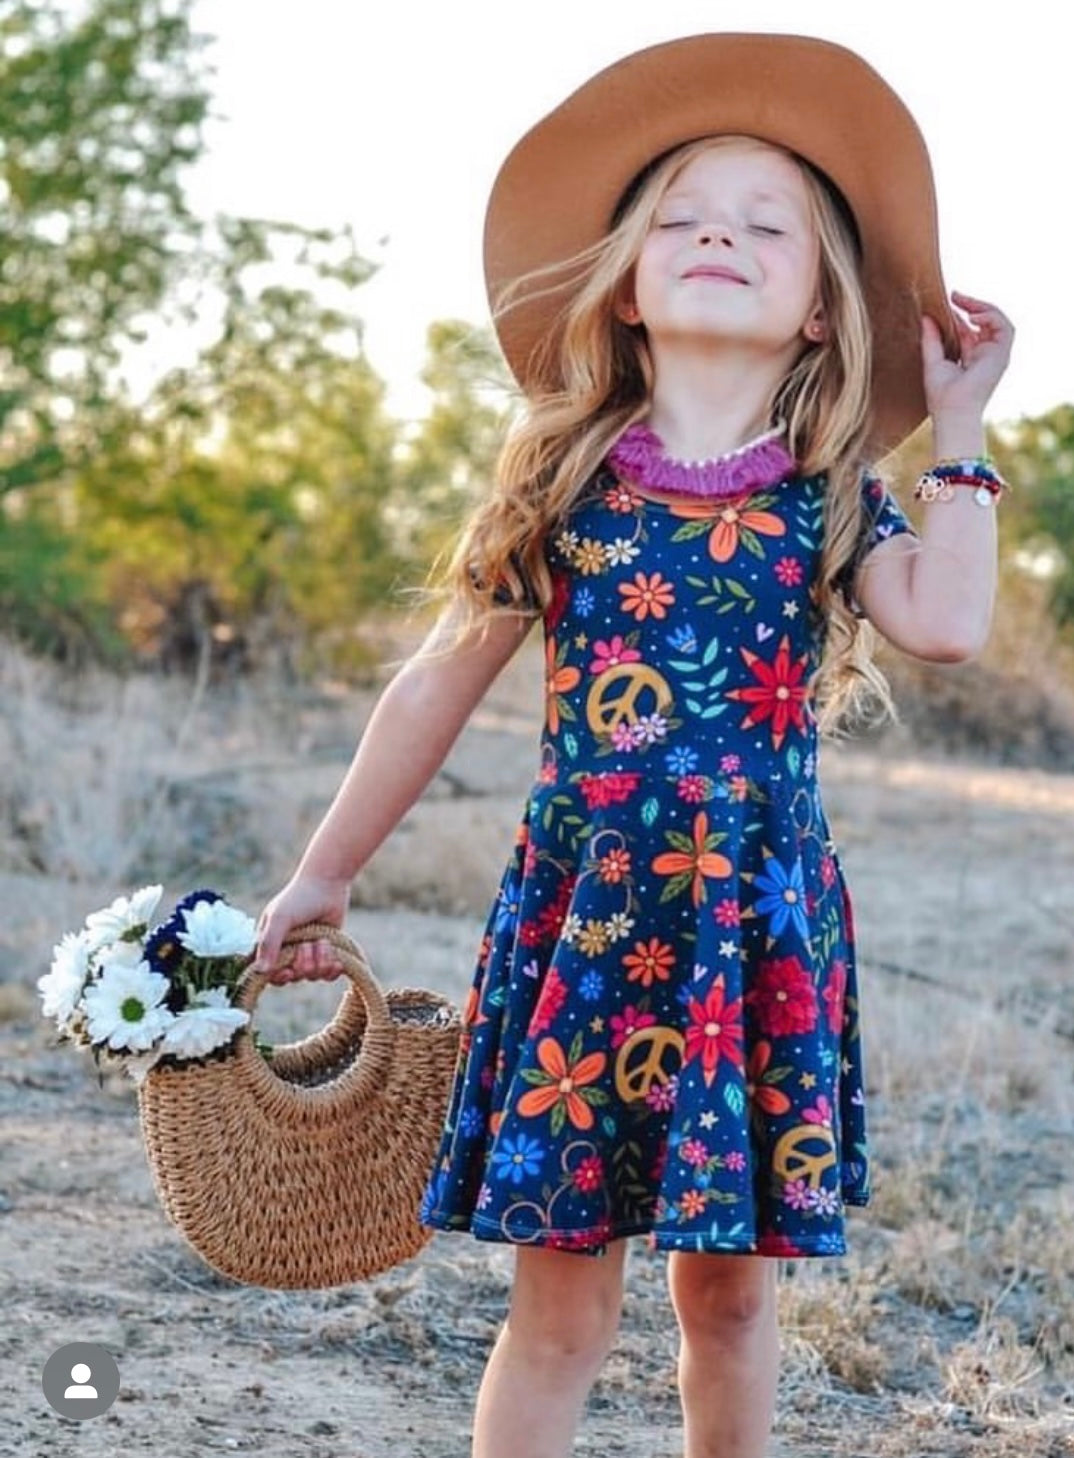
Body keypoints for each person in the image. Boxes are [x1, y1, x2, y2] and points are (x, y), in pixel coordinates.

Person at [252, 33, 1013, 1458]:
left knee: (725, 1303)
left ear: (814, 315)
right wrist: (323, 870)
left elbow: (948, 623)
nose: (717, 229)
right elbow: (434, 680)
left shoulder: (829, 494)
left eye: (764, 222)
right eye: (680, 215)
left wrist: (957, 430)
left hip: (748, 934)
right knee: (557, 1309)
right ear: (627, 279)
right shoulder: (565, 476)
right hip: (592, 930)